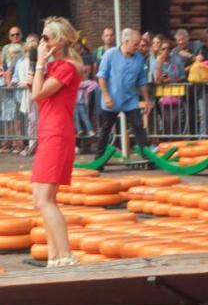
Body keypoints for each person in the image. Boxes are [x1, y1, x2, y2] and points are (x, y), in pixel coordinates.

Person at [30, 17, 83, 267]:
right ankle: (54, 256)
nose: (43, 42)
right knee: (39, 198)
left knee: (45, 199)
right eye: (42, 37)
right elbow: (40, 98)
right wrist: (38, 73)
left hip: (57, 133)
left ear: (60, 40)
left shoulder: (67, 67)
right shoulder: (56, 67)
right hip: (48, 130)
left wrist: (40, 64)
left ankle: (65, 254)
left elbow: (38, 94)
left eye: (47, 37)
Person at [94, 28, 152, 155]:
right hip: (112, 99)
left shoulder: (139, 58)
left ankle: (147, 156)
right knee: (106, 129)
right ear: (126, 42)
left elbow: (141, 80)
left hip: (130, 99)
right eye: (135, 44)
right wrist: (106, 95)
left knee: (138, 127)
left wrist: (147, 100)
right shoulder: (110, 54)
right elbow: (101, 76)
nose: (138, 47)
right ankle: (98, 158)